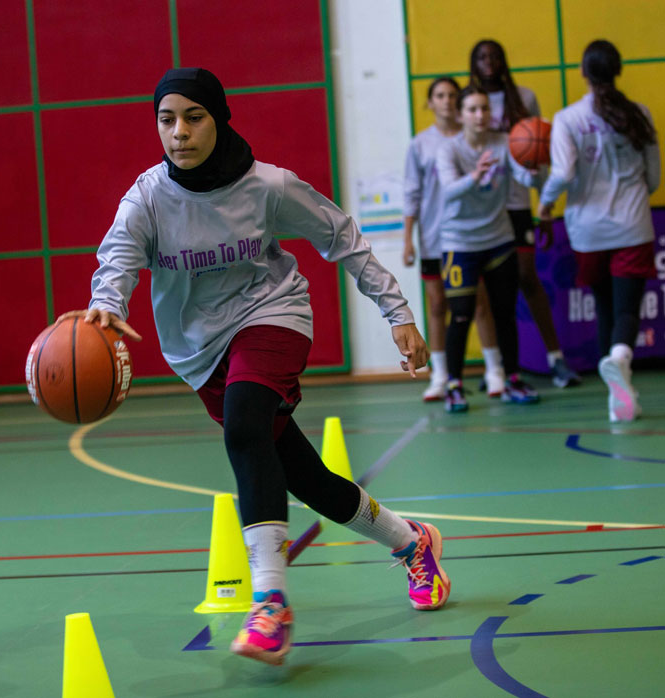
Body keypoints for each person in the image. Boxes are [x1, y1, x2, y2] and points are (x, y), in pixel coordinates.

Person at [58, 68, 451, 666]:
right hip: (199, 352)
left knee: (245, 428)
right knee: (307, 478)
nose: (179, 132)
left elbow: (341, 235)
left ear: (219, 119)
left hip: (273, 314)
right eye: (167, 119)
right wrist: (106, 306)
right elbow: (116, 259)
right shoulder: (148, 199)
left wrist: (397, 312)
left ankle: (270, 602)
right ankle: (411, 542)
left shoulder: (268, 186)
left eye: (194, 118)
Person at [538, 40, 660, 422]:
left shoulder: (568, 118)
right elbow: (654, 178)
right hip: (632, 224)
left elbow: (563, 174)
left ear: (582, 72)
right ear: (618, 69)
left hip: (588, 230)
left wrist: (545, 204)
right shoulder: (639, 114)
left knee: (605, 305)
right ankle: (620, 357)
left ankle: (617, 397)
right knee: (626, 309)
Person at [470, 39, 581, 388]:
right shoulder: (469, 102)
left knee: (527, 278)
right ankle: (497, 369)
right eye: (482, 57)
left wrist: (544, 207)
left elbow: (541, 156)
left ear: (504, 61)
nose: (489, 61)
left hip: (517, 201)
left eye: (495, 55)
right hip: (483, 207)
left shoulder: (525, 98)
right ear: (474, 64)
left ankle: (556, 360)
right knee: (487, 290)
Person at [436, 85, 544, 412]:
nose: (480, 115)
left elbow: (525, 178)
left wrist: (534, 170)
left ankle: (513, 379)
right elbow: (448, 191)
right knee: (461, 314)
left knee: (505, 314)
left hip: (498, 239)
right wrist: (475, 175)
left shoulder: (505, 142)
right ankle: (454, 385)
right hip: (459, 243)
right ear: (461, 115)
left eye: (484, 108)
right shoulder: (449, 150)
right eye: (472, 109)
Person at [403, 76, 506, 401]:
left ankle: (495, 371)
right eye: (440, 95)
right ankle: (440, 375)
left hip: (467, 237)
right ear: (430, 103)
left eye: (451, 95)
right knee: (437, 305)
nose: (446, 100)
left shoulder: (474, 138)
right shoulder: (421, 144)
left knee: (480, 303)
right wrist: (408, 238)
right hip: (434, 236)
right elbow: (412, 193)